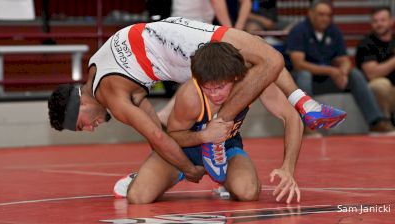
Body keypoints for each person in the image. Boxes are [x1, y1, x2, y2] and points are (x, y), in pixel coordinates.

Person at [48, 17, 345, 186]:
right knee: (265, 63)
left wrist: (191, 171)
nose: (90, 128)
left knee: (271, 59)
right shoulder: (96, 74)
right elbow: (157, 133)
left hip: (174, 45)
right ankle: (304, 103)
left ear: (81, 104)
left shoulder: (110, 94)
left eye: (81, 124)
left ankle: (294, 106)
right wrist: (182, 164)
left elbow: (155, 136)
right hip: (173, 58)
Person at [114, 42, 302, 204]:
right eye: (207, 88)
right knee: (138, 197)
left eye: (220, 87)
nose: (214, 94)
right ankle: (139, 178)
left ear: (236, 77)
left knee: (248, 192)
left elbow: (292, 117)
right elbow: (171, 137)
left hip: (226, 148)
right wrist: (204, 136)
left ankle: (225, 181)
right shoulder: (190, 95)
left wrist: (288, 167)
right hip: (183, 153)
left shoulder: (253, 85)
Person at [286, 0, 394, 134]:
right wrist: (332, 71)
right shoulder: (299, 30)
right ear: (311, 14)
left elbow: (344, 59)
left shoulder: (333, 31)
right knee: (304, 75)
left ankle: (376, 121)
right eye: (321, 14)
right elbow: (299, 64)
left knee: (354, 74)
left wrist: (343, 71)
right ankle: (308, 125)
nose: (325, 18)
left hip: (327, 79)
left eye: (328, 15)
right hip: (302, 80)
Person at [356, 6, 395, 126]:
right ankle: (385, 122)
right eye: (375, 21)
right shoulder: (366, 44)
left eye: (383, 20)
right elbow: (372, 73)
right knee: (380, 85)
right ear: (371, 24)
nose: (379, 24)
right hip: (380, 90)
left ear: (391, 21)